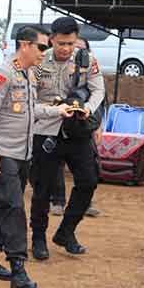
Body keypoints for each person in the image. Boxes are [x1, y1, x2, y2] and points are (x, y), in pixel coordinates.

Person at [0, 26, 72, 288]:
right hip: (3, 154)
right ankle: (18, 268)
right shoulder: (3, 74)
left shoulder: (28, 75)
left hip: (22, 154)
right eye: (42, 47)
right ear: (25, 45)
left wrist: (56, 111)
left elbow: (30, 111)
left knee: (3, 206)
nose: (45, 53)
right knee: (15, 208)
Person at [29, 17, 105, 261]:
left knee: (88, 180)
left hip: (77, 130)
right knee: (43, 188)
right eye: (61, 43)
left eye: (70, 43)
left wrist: (88, 110)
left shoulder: (85, 59)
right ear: (51, 39)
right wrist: (53, 108)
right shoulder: (40, 61)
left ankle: (66, 232)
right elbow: (30, 96)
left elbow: (98, 90)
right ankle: (38, 237)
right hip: (47, 130)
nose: (66, 48)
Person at [50, 36, 102, 218]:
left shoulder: (91, 69)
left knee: (89, 173)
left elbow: (99, 97)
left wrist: (96, 125)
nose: (74, 51)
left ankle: (84, 204)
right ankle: (57, 201)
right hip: (54, 123)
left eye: (81, 48)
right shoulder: (51, 63)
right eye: (72, 46)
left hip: (81, 125)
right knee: (55, 167)